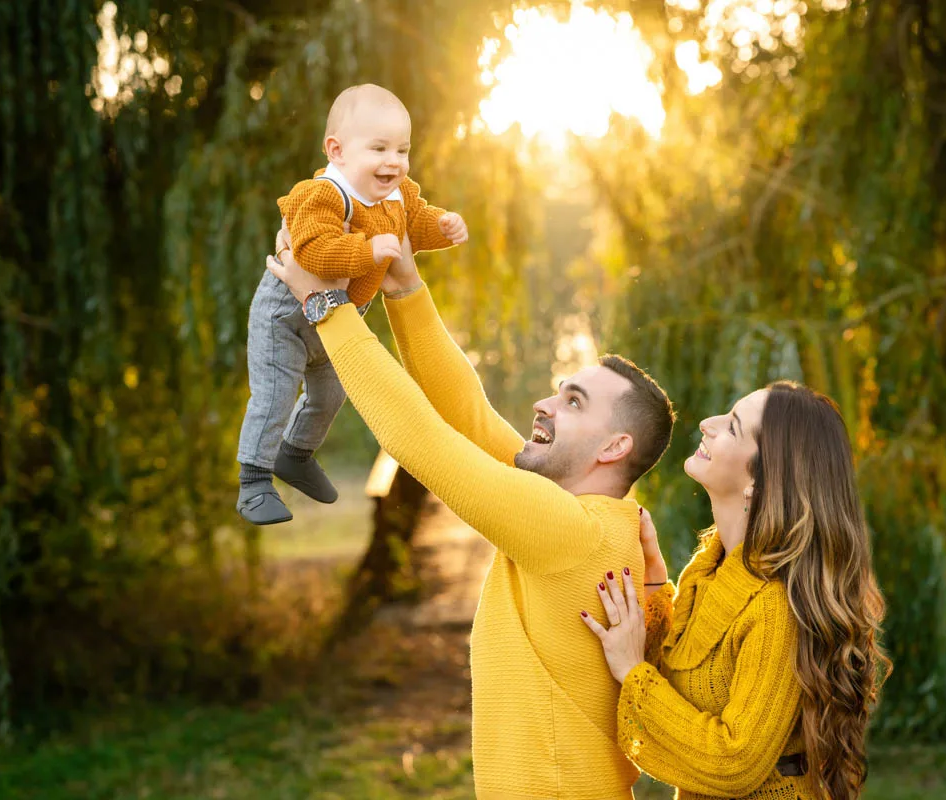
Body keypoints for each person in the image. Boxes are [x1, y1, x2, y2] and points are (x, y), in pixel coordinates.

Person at [265, 232, 676, 799]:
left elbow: (420, 438)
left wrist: (325, 307)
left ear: (613, 448)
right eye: (559, 392)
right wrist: (406, 288)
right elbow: (467, 416)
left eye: (574, 402)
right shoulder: (589, 517)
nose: (544, 404)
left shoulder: (567, 528)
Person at [581, 383, 891, 800]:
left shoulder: (776, 608)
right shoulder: (710, 566)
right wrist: (655, 588)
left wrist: (633, 672)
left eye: (732, 427)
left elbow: (733, 763)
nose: (707, 425)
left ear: (762, 479)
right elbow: (678, 694)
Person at [236, 84, 468, 525]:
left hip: (335, 318)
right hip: (284, 318)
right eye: (379, 148)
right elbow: (312, 252)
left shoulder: (397, 195)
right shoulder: (323, 194)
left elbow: (413, 226)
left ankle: (296, 455)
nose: (394, 162)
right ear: (337, 151)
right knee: (275, 395)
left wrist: (443, 226)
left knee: (329, 396)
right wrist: (367, 250)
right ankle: (253, 483)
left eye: (402, 149)